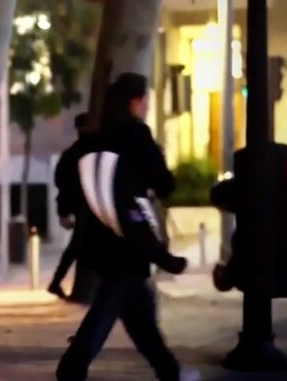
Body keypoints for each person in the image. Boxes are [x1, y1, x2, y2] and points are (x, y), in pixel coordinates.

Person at [56, 73, 199, 381]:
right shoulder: (136, 134)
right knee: (111, 303)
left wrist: (68, 208)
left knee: (138, 311)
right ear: (136, 101)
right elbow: (164, 183)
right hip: (128, 238)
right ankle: (72, 367)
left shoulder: (92, 139)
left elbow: (65, 174)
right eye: (144, 100)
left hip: (97, 237)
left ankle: (168, 370)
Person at [48, 113, 90, 300]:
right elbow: (63, 184)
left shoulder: (73, 153)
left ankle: (56, 282)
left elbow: (61, 183)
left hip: (81, 208)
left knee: (75, 247)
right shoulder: (80, 153)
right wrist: (64, 211)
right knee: (75, 247)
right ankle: (56, 283)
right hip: (84, 208)